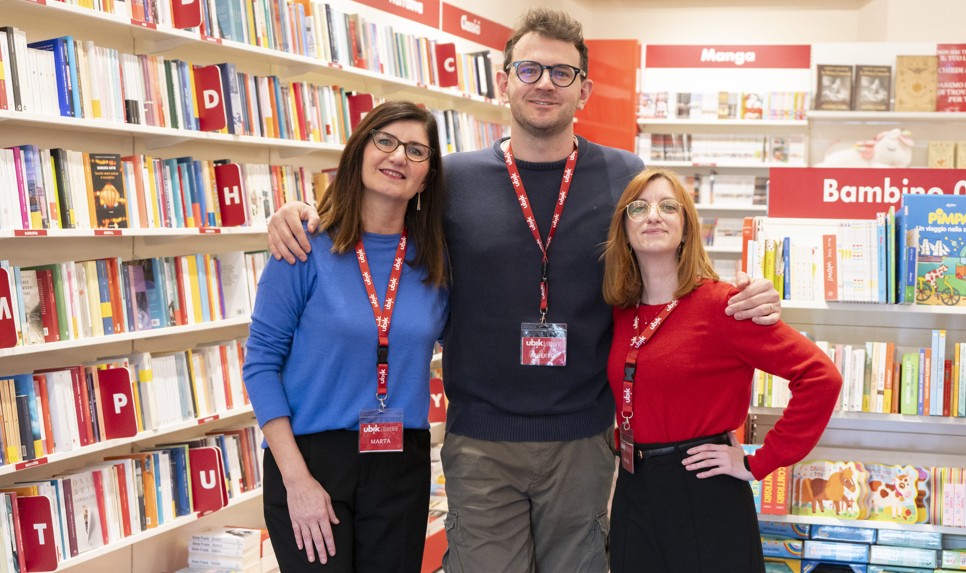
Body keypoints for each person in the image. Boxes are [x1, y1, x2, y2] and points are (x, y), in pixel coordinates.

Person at [265, 9, 782, 573]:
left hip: (582, 439)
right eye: (530, 69)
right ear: (504, 80)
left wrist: (744, 293)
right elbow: (379, 226)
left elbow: (668, 263)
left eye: (562, 73)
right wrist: (302, 215)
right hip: (481, 441)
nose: (544, 84)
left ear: (584, 89)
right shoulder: (450, 180)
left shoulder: (622, 175)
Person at [601, 168, 843, 573]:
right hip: (633, 486)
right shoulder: (621, 310)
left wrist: (756, 462)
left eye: (668, 206)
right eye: (638, 207)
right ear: (624, 229)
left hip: (703, 487)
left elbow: (821, 377)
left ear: (687, 227)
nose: (653, 215)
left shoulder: (725, 305)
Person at [243, 101, 449, 573]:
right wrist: (296, 480)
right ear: (359, 151)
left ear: (427, 177)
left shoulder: (436, 261)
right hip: (312, 461)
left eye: (417, 150)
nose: (399, 156)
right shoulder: (303, 245)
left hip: (402, 460)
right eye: (386, 141)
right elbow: (260, 365)